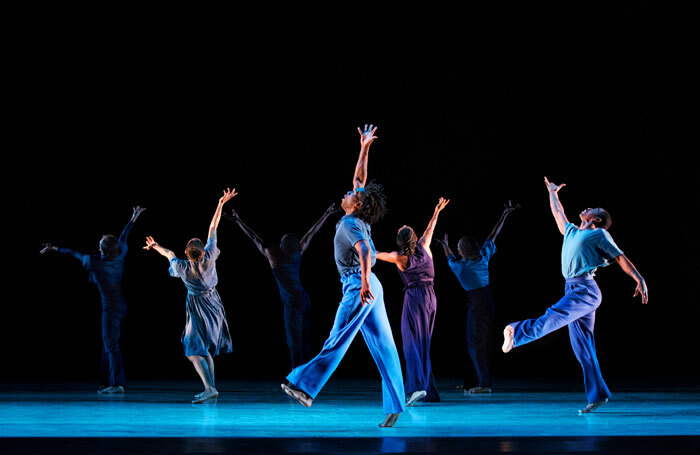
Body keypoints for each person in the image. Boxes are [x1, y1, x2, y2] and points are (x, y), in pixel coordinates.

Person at [280, 124, 405, 428]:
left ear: (357, 204)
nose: (347, 192)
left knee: (337, 338)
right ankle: (396, 405)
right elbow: (359, 178)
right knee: (385, 345)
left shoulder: (350, 224)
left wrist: (362, 283)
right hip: (370, 284)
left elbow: (364, 253)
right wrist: (364, 147)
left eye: (351, 194)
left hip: (358, 286)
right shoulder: (358, 216)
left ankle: (306, 388)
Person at [502, 177, 648, 413]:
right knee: (583, 347)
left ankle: (516, 332)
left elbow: (620, 257)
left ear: (596, 219)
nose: (587, 208)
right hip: (573, 289)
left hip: (585, 290)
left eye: (592, 209)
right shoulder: (571, 231)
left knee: (554, 316)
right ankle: (597, 394)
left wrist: (638, 278)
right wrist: (552, 192)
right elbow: (558, 212)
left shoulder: (599, 234)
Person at [143, 188, 237, 404]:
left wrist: (155, 245)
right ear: (202, 251)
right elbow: (213, 227)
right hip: (213, 304)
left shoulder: (182, 267)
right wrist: (221, 203)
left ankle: (209, 387)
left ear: (188, 252)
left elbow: (169, 254)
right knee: (204, 350)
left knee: (193, 350)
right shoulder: (210, 256)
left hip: (197, 307)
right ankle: (211, 388)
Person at [41, 206, 147, 394]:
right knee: (108, 343)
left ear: (103, 249)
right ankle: (106, 380)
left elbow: (74, 254)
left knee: (111, 344)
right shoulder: (120, 253)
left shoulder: (95, 263)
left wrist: (54, 248)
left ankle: (117, 385)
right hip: (121, 305)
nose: (98, 246)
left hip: (111, 309)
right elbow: (124, 236)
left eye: (100, 245)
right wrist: (134, 217)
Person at [225, 204, 339, 369]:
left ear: (282, 244)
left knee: (294, 340)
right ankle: (306, 371)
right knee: (304, 338)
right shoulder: (297, 253)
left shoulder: (274, 256)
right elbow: (310, 234)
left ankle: (295, 375)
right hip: (304, 299)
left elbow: (254, 238)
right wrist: (326, 214)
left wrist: (238, 221)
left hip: (293, 303)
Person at [436, 201, 518, 394]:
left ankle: (484, 383)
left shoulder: (462, 267)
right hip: (484, 303)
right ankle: (472, 381)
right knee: (473, 342)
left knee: (476, 344)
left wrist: (445, 246)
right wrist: (504, 215)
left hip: (478, 306)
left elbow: (450, 258)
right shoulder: (483, 256)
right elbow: (492, 235)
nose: (456, 250)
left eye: (458, 247)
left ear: (463, 250)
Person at [376, 197, 450, 406]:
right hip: (431, 298)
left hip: (415, 298)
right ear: (414, 238)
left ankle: (418, 387)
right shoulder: (425, 246)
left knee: (411, 342)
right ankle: (428, 390)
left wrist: (359, 244)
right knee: (423, 343)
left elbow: (377, 254)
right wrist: (436, 211)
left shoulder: (399, 257)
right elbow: (430, 227)